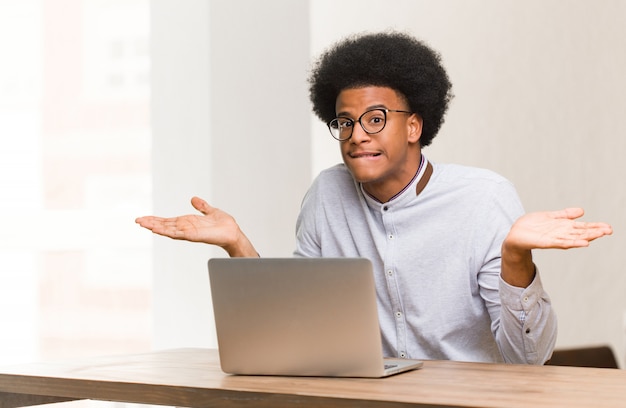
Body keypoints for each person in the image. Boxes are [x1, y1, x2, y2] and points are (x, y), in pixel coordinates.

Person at [136, 31, 612, 364]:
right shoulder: (327, 194)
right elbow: (298, 330)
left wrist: (515, 259)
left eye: (376, 118)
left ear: (414, 126)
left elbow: (529, 358)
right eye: (345, 121)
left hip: (471, 403)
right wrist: (238, 245)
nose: (357, 135)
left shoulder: (483, 198)